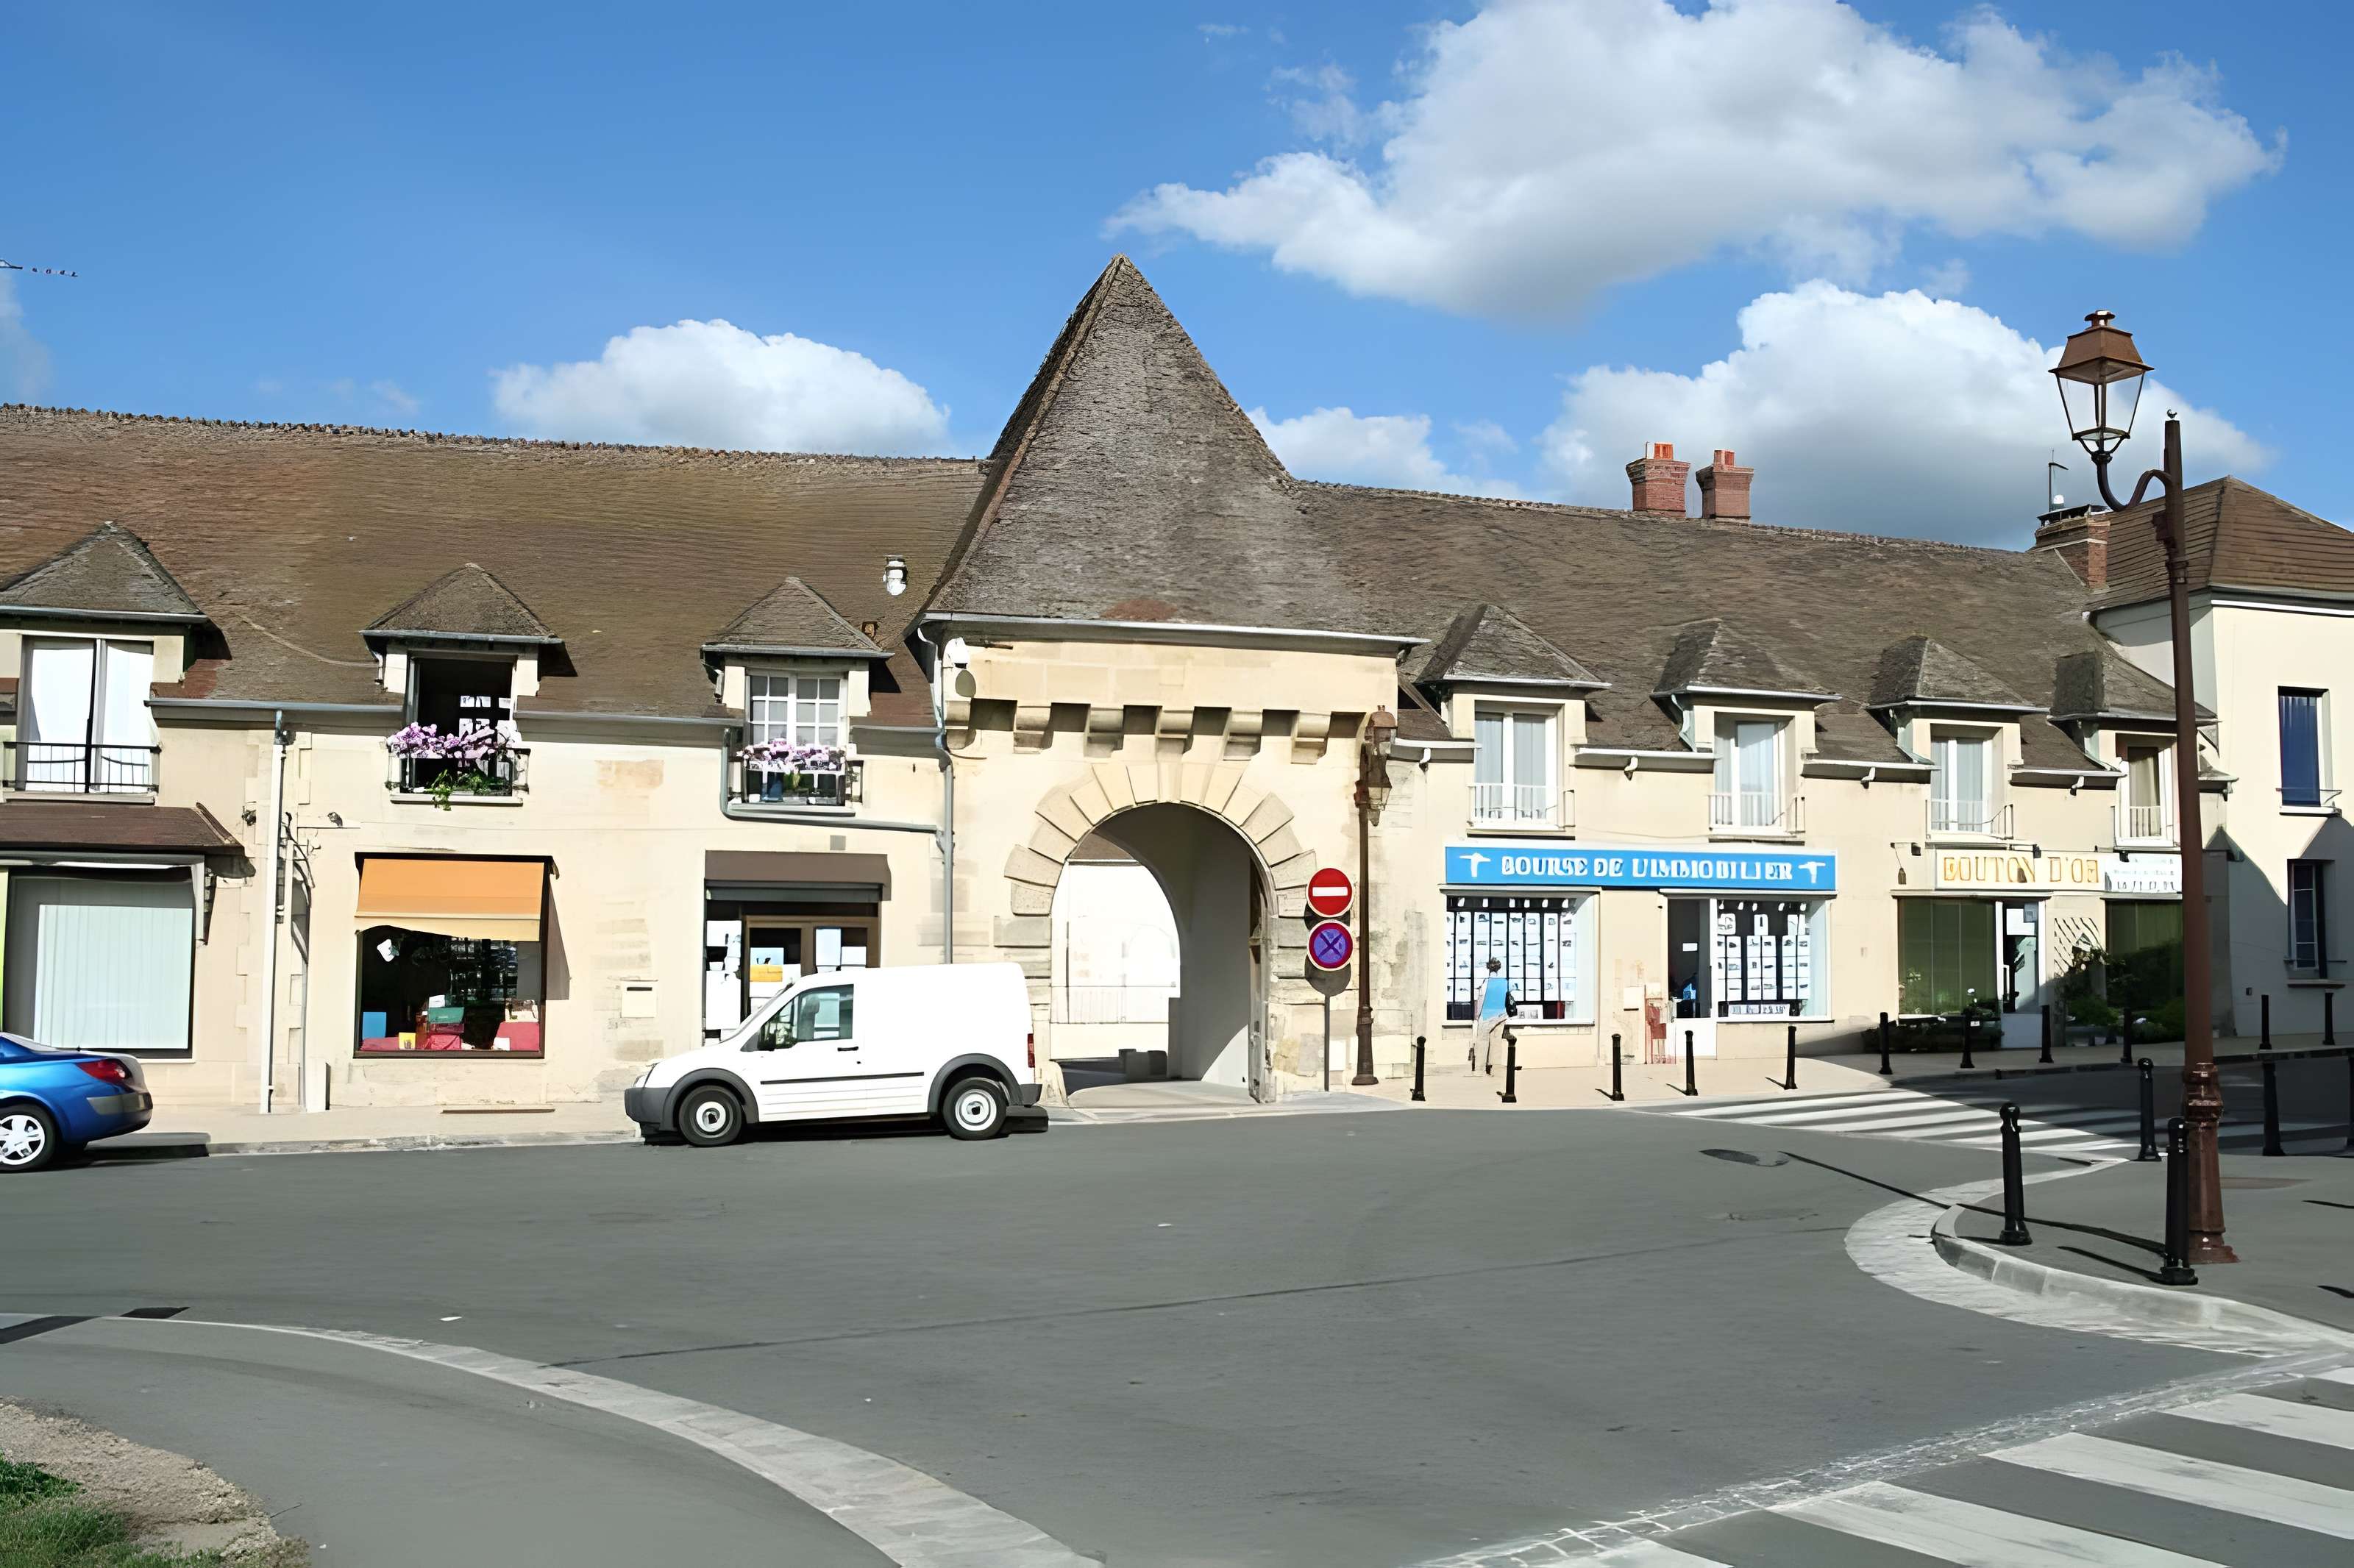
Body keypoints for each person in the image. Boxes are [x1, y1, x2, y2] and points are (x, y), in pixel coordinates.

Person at [1475, 958, 1514, 1074]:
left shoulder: (1485, 982)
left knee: (1482, 1041)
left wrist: (1477, 1016)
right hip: (1501, 1015)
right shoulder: (1505, 982)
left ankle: (1480, 1069)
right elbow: (1509, 994)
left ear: (1488, 968)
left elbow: (1479, 1000)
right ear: (1499, 968)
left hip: (1486, 1015)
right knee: (1496, 1042)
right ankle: (1494, 1069)